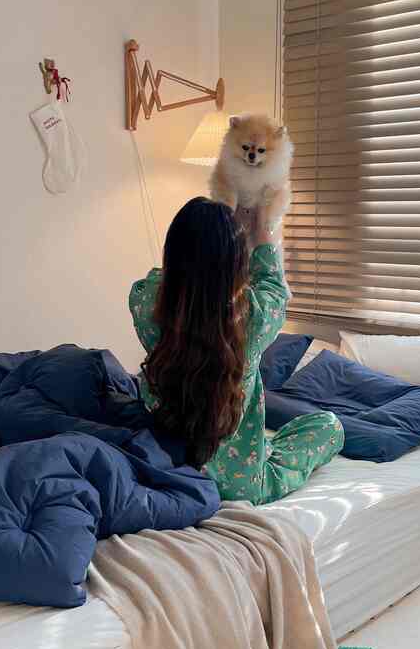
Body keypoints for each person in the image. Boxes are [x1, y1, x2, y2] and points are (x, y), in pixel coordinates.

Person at [129, 196, 343, 505]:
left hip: (164, 462)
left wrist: (209, 238)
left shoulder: (146, 301)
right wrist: (262, 232)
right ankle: (264, 449)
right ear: (235, 261)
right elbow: (274, 287)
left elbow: (161, 280)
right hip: (237, 483)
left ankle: (264, 447)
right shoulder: (254, 317)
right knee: (328, 425)